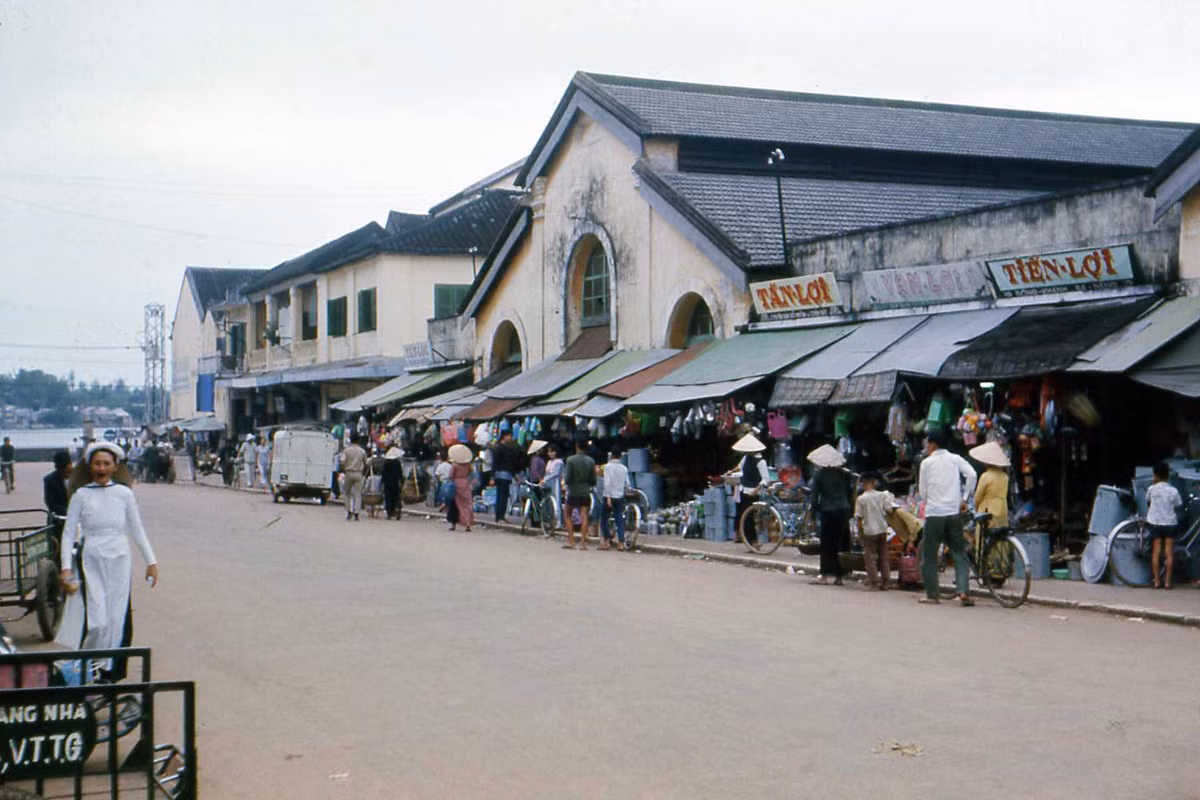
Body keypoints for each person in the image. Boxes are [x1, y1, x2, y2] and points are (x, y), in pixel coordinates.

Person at [56, 442, 158, 682]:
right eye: (96, 463)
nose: (101, 467)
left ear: (115, 467)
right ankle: (89, 666)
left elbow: (137, 529)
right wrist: (65, 569)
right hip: (91, 557)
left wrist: (151, 561)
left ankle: (111, 673)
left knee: (117, 617)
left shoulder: (124, 494)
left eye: (106, 463)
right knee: (96, 622)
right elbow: (69, 533)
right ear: (89, 466)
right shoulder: (81, 495)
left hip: (119, 558)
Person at [917, 429, 978, 606]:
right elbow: (972, 474)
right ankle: (963, 592)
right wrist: (965, 498)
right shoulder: (955, 459)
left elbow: (922, 492)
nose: (927, 447)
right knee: (959, 552)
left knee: (929, 555)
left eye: (928, 444)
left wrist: (930, 500)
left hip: (935, 513)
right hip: (953, 512)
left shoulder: (926, 464)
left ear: (933, 444)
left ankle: (932, 594)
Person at [809, 443, 853, 586]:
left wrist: (812, 516)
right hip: (843, 510)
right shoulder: (843, 474)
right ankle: (840, 575)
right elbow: (849, 492)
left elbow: (814, 498)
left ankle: (826, 574)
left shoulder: (819, 475)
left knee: (828, 543)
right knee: (842, 542)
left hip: (828, 511)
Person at [1145, 461, 1182, 589]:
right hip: (1170, 523)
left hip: (1155, 523)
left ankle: (1156, 581)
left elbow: (1147, 501)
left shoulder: (1151, 489)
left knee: (1156, 552)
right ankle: (1167, 582)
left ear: (1155, 475)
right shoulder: (1173, 491)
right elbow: (1178, 504)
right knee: (1169, 552)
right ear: (1168, 475)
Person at [854, 472, 893, 590]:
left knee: (870, 557)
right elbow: (889, 510)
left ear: (863, 484)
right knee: (883, 556)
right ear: (874, 483)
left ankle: (874, 582)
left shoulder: (861, 499)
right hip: (882, 529)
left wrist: (860, 533)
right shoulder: (882, 495)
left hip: (869, 531)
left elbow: (859, 518)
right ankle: (885, 581)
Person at [731, 433, 770, 545]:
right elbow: (740, 467)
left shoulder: (761, 461)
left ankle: (753, 540)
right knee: (744, 516)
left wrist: (756, 490)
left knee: (750, 518)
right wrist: (731, 471)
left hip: (753, 492)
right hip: (743, 489)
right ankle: (747, 539)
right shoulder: (746, 457)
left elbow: (765, 479)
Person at [562, 437, 596, 550]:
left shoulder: (570, 460)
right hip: (585, 491)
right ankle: (583, 543)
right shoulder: (591, 461)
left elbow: (567, 478)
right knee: (584, 516)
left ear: (576, 446)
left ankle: (571, 541)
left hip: (573, 491)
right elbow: (593, 480)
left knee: (567, 514)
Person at [969, 440, 1010, 530]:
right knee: (1001, 536)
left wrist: (975, 507)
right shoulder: (1005, 476)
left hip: (988, 510)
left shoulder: (986, 476)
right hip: (1002, 508)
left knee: (984, 537)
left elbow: (978, 497)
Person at [600, 450, 631, 550]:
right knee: (619, 519)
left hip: (609, 496)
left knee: (604, 519)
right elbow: (627, 484)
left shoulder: (607, 467)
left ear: (611, 455)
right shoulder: (624, 468)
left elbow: (607, 483)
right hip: (619, 496)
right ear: (620, 456)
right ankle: (621, 543)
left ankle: (607, 540)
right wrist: (626, 491)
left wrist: (608, 498)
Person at [491, 429, 522, 524]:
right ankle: (500, 516)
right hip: (501, 474)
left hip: (505, 474)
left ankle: (501, 516)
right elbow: (495, 463)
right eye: (509, 436)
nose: (510, 438)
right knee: (502, 496)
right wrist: (492, 476)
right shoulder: (499, 448)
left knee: (503, 496)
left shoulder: (504, 448)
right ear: (504, 436)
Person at [446, 444, 474, 532]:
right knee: (467, 504)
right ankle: (468, 522)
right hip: (465, 483)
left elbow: (450, 475)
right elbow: (470, 473)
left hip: (456, 485)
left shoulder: (455, 465)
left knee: (457, 504)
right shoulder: (468, 465)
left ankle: (454, 523)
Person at [340, 434, 367, 521]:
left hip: (348, 472)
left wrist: (343, 470)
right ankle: (356, 512)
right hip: (358, 473)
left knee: (347, 493)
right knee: (357, 494)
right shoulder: (362, 451)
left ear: (350, 440)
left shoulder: (347, 450)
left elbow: (342, 461)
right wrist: (363, 473)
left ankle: (348, 511)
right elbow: (366, 462)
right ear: (359, 441)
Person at [381, 447, 405, 520]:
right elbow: (400, 473)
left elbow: (383, 474)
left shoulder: (386, 463)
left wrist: (382, 482)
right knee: (397, 497)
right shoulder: (397, 463)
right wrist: (402, 481)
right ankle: (397, 510)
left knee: (388, 498)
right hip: (396, 483)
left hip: (387, 484)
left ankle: (389, 513)